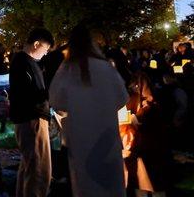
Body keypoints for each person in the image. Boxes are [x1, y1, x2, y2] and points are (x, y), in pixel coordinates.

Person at [49, 22, 128, 197]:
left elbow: (56, 100)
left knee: (85, 181)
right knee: (110, 182)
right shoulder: (106, 67)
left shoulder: (67, 69)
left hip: (80, 135)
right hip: (106, 133)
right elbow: (122, 97)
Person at [9, 28, 54, 197]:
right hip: (31, 120)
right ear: (36, 44)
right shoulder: (23, 62)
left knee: (29, 167)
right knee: (39, 171)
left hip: (29, 118)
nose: (46, 53)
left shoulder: (26, 62)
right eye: (46, 48)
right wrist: (50, 95)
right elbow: (26, 94)